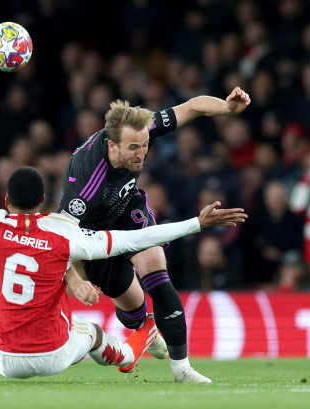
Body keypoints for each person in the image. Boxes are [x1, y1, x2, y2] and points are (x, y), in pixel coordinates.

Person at [0, 123, 246, 383]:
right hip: (56, 353)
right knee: (93, 334)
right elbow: (133, 240)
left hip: (4, 357)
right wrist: (197, 223)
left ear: (5, 199)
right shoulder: (64, 233)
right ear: (43, 202)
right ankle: (132, 347)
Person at [58, 88, 250, 382]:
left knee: (158, 278)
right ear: (112, 146)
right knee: (134, 311)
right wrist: (76, 281)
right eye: (134, 147)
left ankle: (182, 368)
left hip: (128, 210)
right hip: (94, 236)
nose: (142, 153)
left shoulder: (138, 129)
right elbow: (60, 238)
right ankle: (144, 328)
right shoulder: (84, 187)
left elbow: (193, 106)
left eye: (145, 145)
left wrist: (227, 108)